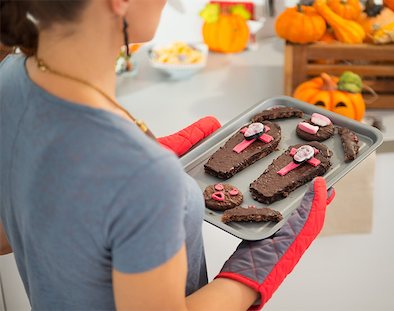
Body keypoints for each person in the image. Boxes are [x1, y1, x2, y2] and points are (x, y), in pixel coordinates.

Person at [0, 0, 335, 310]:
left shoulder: (10, 78)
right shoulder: (143, 177)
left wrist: (112, 191)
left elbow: (16, 225)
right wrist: (253, 271)